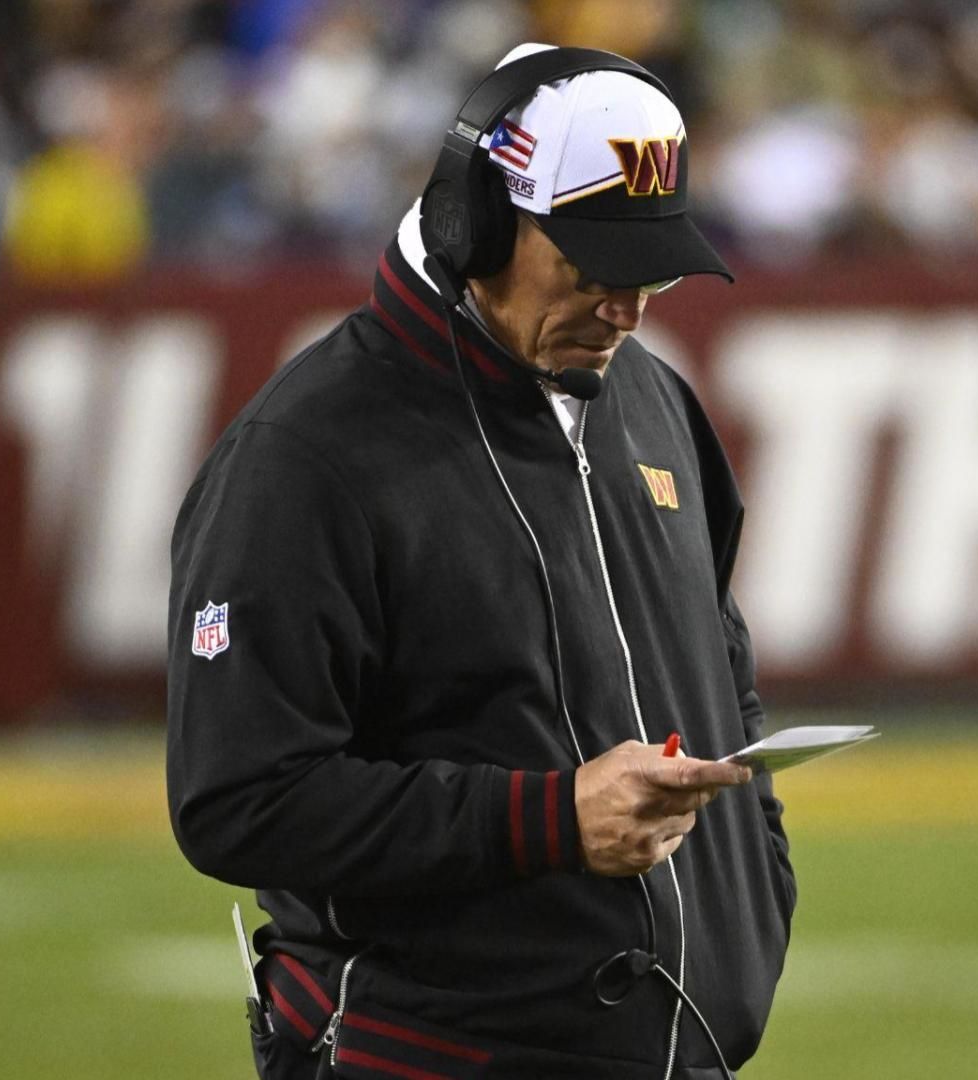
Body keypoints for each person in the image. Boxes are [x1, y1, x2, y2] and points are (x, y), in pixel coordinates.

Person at [166, 44, 794, 1080]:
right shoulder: (307, 454)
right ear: (477, 222)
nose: (630, 311)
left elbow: (720, 666)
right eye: (593, 269)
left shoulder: (654, 400)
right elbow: (239, 800)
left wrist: (753, 887)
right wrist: (549, 819)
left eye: (654, 272)